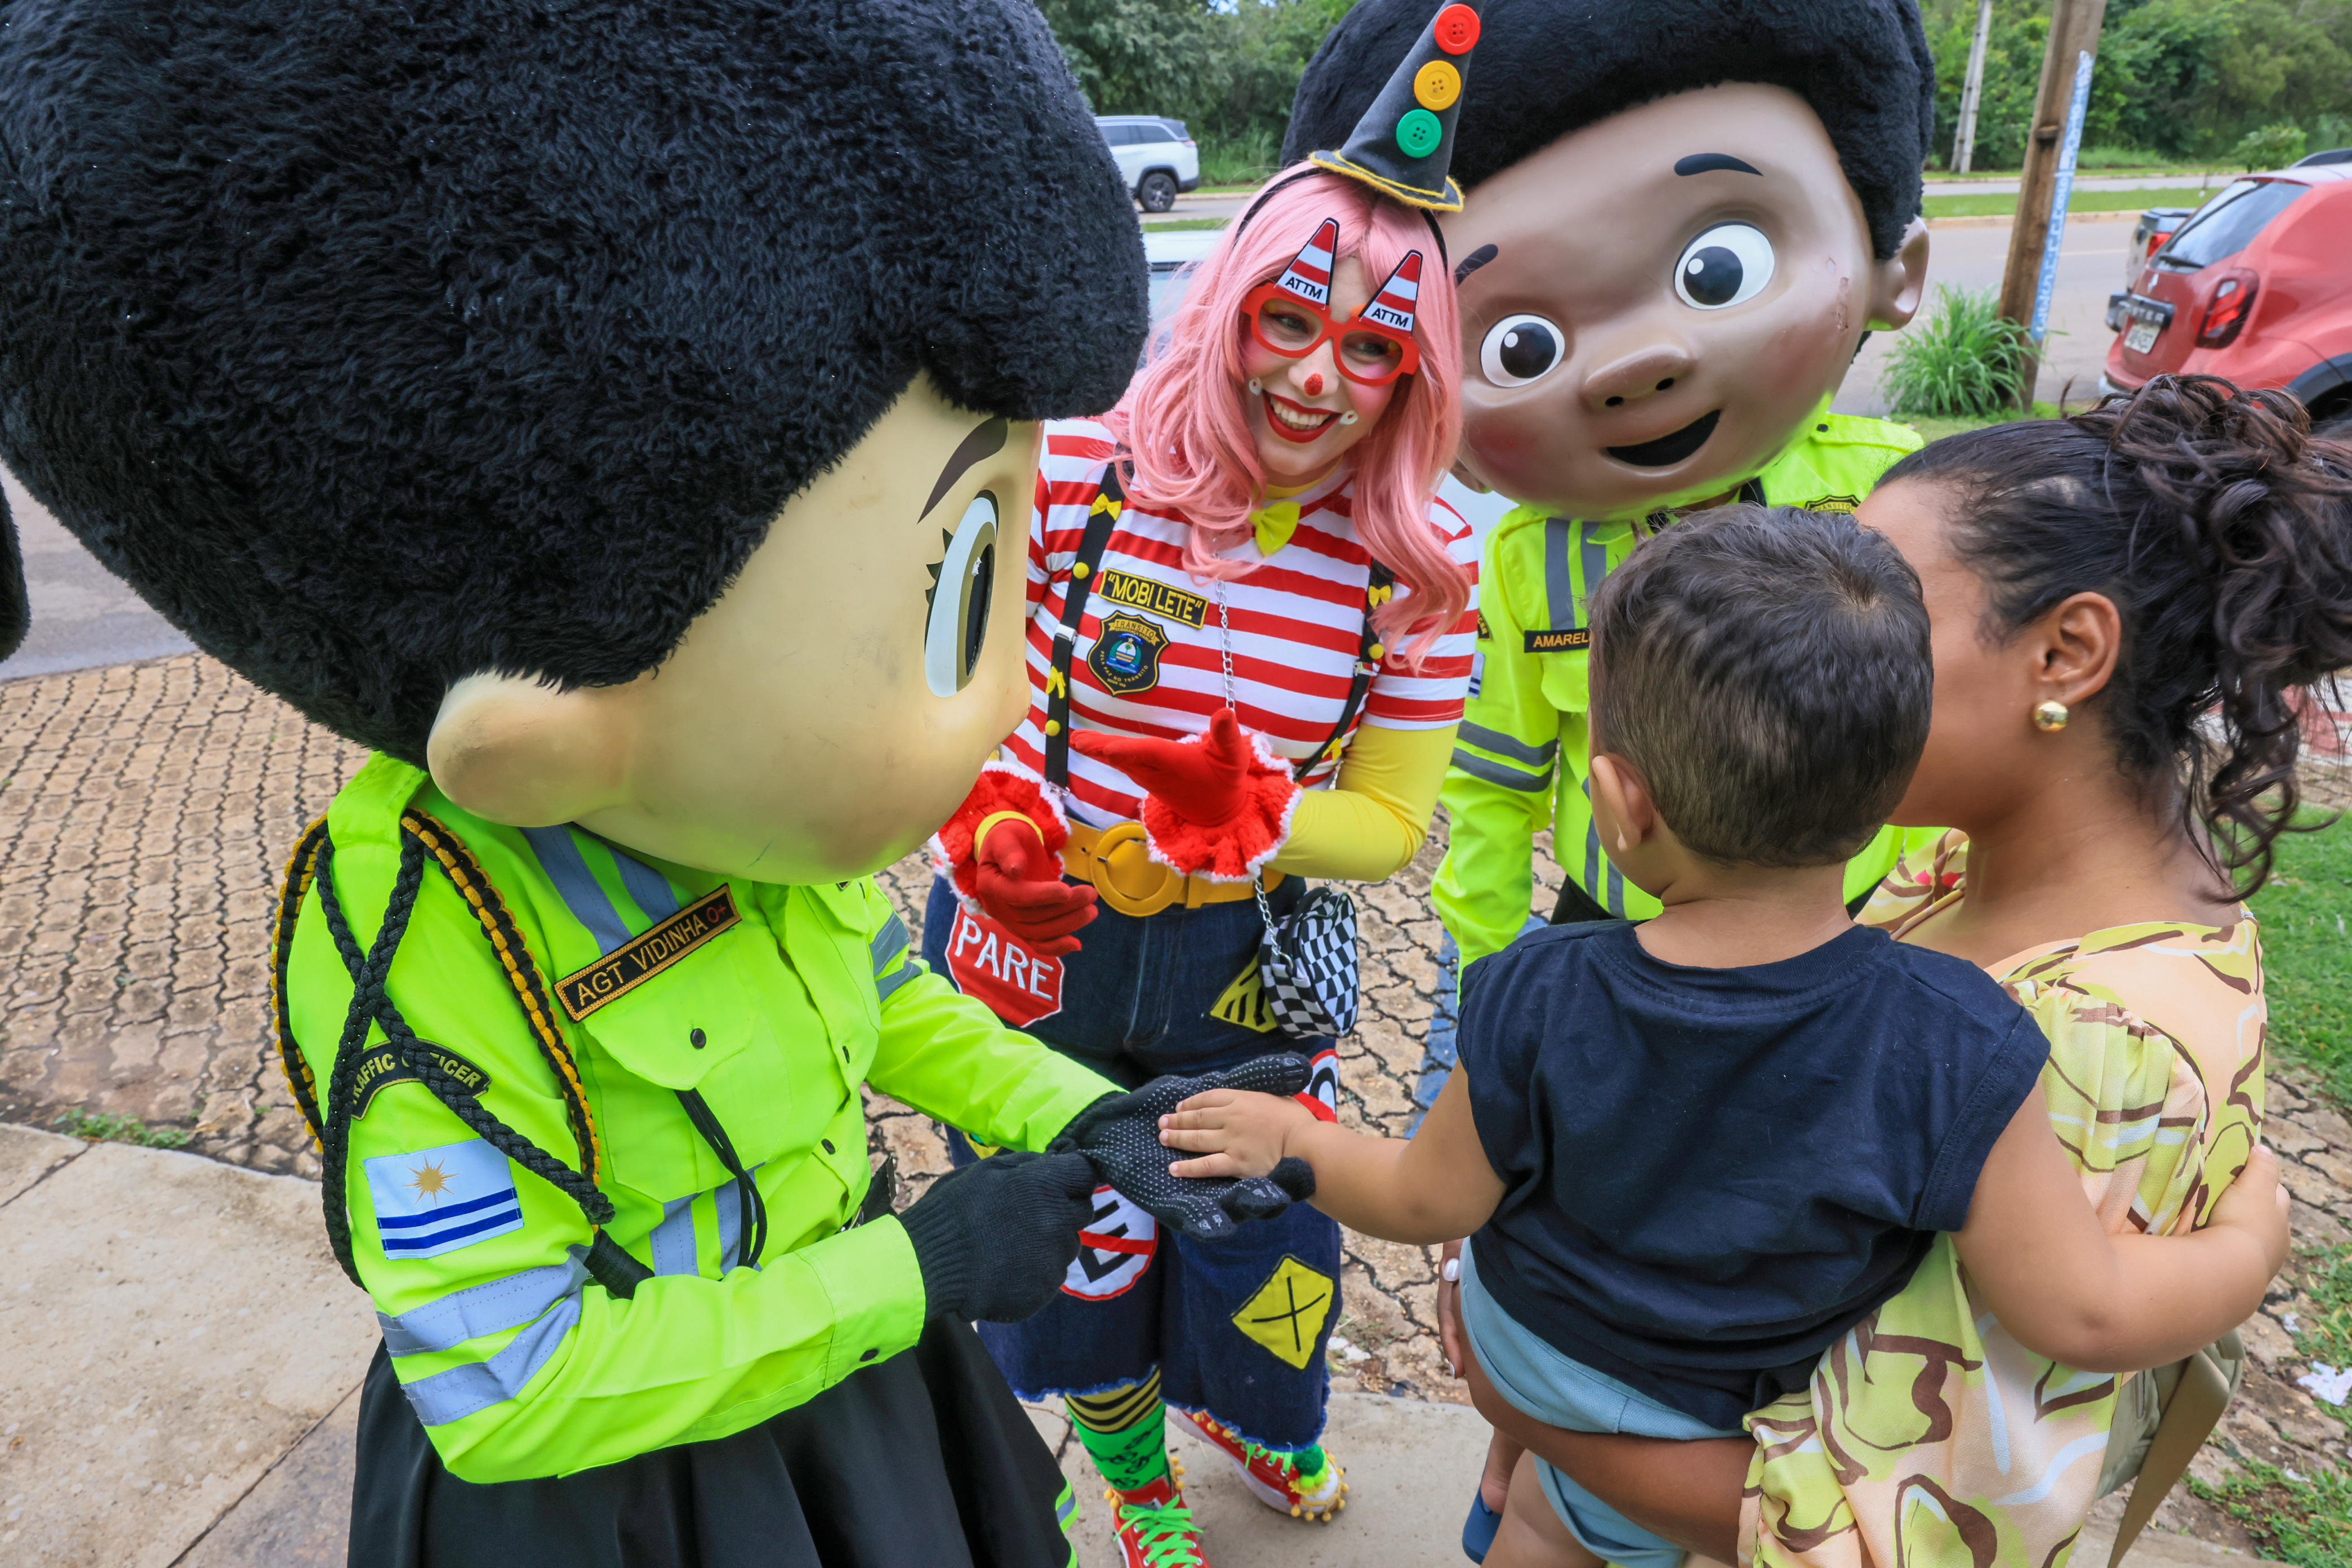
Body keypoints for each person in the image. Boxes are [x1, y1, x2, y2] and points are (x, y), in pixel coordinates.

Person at [0, 5, 1307, 1563]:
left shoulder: (731, 810)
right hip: (632, 1493)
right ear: (546, 730)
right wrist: (917, 1274)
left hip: (844, 1380)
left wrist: (1090, 1117)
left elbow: (878, 995)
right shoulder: (425, 932)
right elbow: (512, 1383)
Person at [1152, 499, 2295, 1568]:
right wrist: (2246, 1247)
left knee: (1542, 1522)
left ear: (1619, 805)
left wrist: (1287, 1137)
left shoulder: (1537, 990)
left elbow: (1421, 1202)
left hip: (1528, 1355)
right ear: (1891, 781)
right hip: (1712, 1415)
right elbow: (2081, 1310)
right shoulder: (1967, 1036)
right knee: (1580, 1512)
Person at [1431, 375, 2352, 1568]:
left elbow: (1908, 1532)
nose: (1816, 651)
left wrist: (1532, 1407)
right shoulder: (1962, 876)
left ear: (2067, 654)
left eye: (1885, 610)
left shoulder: (2103, 1046)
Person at [917, 14, 1486, 1565]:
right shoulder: (1087, 463)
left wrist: (1244, 816)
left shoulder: (1423, 568)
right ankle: (1130, 1468)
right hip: (1048, 943)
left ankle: (1257, 1413)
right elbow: (975, 701)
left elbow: (1387, 823)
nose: (1319, 375)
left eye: (1374, 348)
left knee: (1259, 1223)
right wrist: (1008, 830)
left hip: (1247, 966)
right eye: (1290, 320)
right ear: (1230, 300)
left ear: (1417, 369)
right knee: (1080, 1220)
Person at [1288, 0, 1941, 966]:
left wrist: (1916, 942)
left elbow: (1957, 743)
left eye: (1717, 269)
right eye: (1520, 347)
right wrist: (1489, 978)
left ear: (1897, 270)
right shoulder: (1529, 560)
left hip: (1859, 929)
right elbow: (1498, 780)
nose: (1633, 365)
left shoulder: (1897, 497)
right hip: (1615, 927)